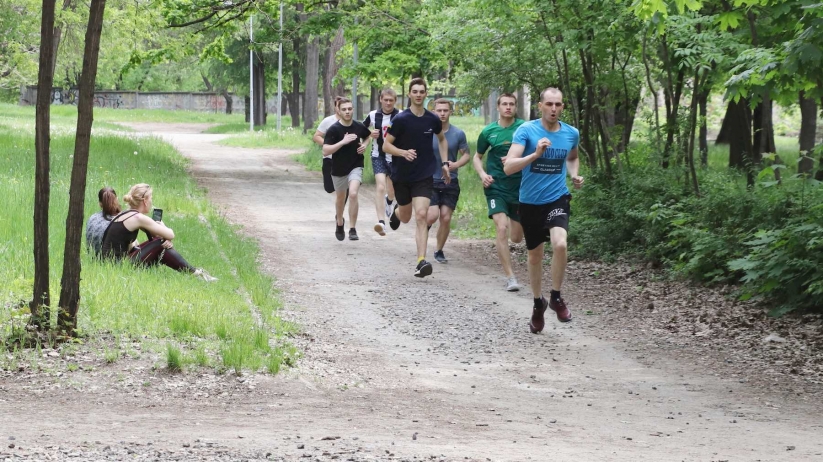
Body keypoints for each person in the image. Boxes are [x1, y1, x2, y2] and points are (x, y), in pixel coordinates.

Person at [503, 87, 584, 333]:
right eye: (549, 104)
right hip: (529, 202)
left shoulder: (571, 133)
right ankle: (538, 303)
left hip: (557, 197)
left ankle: (556, 296)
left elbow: (572, 157)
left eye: (558, 105)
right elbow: (509, 167)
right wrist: (535, 154)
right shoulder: (526, 131)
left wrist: (575, 175)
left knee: (560, 243)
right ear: (540, 106)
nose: (553, 109)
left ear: (562, 107)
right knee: (534, 256)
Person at [383, 78, 450, 278]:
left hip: (424, 174)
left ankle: (421, 261)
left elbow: (442, 140)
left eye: (422, 91)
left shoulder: (432, 119)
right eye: (415, 91)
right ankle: (396, 213)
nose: (419, 94)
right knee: (406, 216)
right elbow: (386, 145)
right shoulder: (401, 119)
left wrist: (445, 164)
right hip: (402, 175)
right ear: (409, 94)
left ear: (425, 94)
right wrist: (403, 153)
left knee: (421, 215)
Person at [100, 183, 217, 281]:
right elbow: (170, 234)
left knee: (159, 242)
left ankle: (195, 273)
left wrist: (166, 240)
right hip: (118, 267)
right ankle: (196, 273)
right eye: (151, 198)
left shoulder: (127, 214)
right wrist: (163, 227)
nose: (151, 202)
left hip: (110, 265)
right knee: (160, 243)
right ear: (145, 201)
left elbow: (155, 236)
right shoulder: (138, 218)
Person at [473, 93, 526, 291]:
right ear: (498, 107)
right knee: (501, 227)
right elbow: (477, 157)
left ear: (515, 107)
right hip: (495, 186)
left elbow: (534, 152)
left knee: (517, 238)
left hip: (520, 187)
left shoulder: (524, 128)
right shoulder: (489, 131)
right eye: (504, 104)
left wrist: (517, 159)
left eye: (512, 104)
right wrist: (482, 174)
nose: (508, 107)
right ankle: (510, 277)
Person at [426, 98, 470, 263]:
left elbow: (466, 154)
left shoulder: (458, 133)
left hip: (450, 180)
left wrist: (455, 164)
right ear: (434, 111)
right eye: (439, 110)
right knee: (431, 216)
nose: (442, 113)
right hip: (430, 179)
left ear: (450, 112)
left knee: (445, 217)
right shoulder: (428, 131)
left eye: (445, 110)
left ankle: (438, 250)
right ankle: (422, 233)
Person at [322, 98, 372, 241]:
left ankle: (353, 228)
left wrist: (365, 145)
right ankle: (339, 222)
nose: (347, 112)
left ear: (353, 109)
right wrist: (343, 142)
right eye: (344, 109)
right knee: (340, 198)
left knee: (354, 193)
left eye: (349, 109)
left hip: (356, 165)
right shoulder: (334, 129)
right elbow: (326, 151)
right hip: (338, 168)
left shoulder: (358, 126)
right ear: (339, 110)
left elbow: (368, 136)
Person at [363, 88, 400, 235]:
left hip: (395, 157)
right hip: (378, 155)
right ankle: (381, 222)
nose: (388, 103)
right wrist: (369, 135)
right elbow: (361, 129)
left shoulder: (401, 115)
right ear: (381, 100)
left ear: (395, 101)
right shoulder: (373, 115)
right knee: (380, 186)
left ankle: (390, 201)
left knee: (392, 191)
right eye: (386, 100)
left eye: (391, 100)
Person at [86, 186, 121, 256]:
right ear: (117, 199)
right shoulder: (120, 220)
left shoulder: (92, 218)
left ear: (100, 203)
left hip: (93, 258)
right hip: (112, 259)